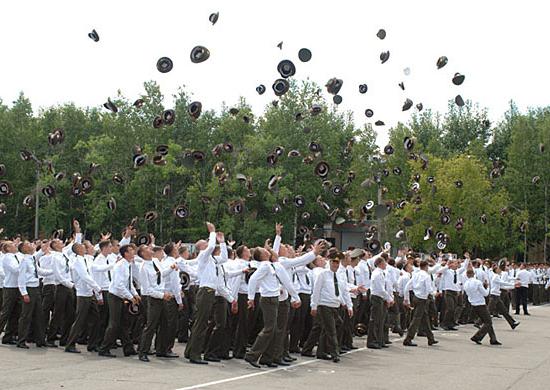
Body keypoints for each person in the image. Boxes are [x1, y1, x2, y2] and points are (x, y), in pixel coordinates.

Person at [184, 222, 220, 364]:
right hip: (206, 291)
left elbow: (222, 257)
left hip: (208, 291)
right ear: (201, 247)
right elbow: (211, 246)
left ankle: (190, 351)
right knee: (201, 323)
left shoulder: (209, 258)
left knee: (201, 322)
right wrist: (212, 232)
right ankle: (195, 354)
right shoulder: (204, 255)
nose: (208, 243)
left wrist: (222, 243)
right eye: (205, 242)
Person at [98, 244, 141, 357]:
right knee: (114, 324)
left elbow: (129, 282)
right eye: (131, 250)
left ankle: (128, 348)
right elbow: (119, 285)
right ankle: (104, 348)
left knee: (124, 323)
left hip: (122, 296)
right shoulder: (120, 265)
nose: (133, 251)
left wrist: (135, 294)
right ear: (126, 253)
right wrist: (130, 297)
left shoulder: (128, 264)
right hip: (115, 296)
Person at [310, 250, 353, 362]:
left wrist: (348, 305)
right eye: (334, 262)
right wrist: (314, 306)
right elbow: (316, 291)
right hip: (324, 305)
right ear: (329, 262)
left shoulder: (339, 276)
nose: (335, 265)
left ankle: (321, 351)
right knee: (331, 330)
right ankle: (335, 353)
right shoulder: (322, 274)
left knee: (336, 325)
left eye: (337, 263)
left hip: (335, 305)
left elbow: (343, 291)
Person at [137, 245, 176, 362]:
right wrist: (162, 295)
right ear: (143, 253)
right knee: (151, 325)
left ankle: (161, 349)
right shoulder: (143, 268)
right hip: (154, 298)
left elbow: (161, 274)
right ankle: (143, 351)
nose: (151, 250)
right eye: (147, 249)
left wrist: (171, 268)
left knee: (165, 323)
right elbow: (148, 289)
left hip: (161, 295)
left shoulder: (155, 261)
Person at [65, 242, 103, 353]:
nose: (84, 248)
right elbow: (84, 276)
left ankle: (92, 344)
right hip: (82, 294)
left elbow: (90, 274)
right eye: (82, 247)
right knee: (80, 320)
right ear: (78, 249)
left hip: (89, 293)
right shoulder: (78, 261)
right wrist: (96, 287)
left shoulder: (85, 259)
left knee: (96, 319)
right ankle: (70, 344)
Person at [17, 241, 53, 348]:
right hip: (29, 289)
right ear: (25, 249)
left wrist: (53, 271)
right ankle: (21, 340)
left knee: (39, 315)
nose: (32, 246)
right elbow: (21, 278)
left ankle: (40, 340)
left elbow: (39, 271)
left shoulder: (31, 259)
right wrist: (24, 293)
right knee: (26, 316)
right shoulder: (24, 261)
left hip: (36, 289)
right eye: (29, 244)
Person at [402, 260, 439, 346]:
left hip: (416, 297)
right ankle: (408, 338)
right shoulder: (426, 276)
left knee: (424, 318)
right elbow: (429, 288)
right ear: (426, 267)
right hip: (422, 298)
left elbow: (407, 287)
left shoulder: (416, 274)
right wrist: (434, 293)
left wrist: (406, 298)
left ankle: (431, 338)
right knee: (416, 319)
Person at [463, 269, 501, 346]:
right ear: (474, 274)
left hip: (473, 304)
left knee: (487, 321)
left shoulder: (466, 283)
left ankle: (493, 339)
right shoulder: (477, 282)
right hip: (480, 303)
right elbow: (485, 294)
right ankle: (477, 336)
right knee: (488, 322)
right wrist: (487, 287)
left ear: (467, 275)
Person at [367, 255, 393, 349]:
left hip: (380, 298)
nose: (385, 264)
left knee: (381, 320)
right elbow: (380, 289)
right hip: (377, 297)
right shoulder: (377, 273)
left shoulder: (381, 273)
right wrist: (389, 298)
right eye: (384, 262)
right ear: (380, 264)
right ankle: (372, 341)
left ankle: (379, 340)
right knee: (375, 320)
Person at [488, 264, 520, 330]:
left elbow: (502, 284)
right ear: (496, 270)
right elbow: (502, 283)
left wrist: (512, 286)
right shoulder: (496, 276)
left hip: (496, 295)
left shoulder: (497, 276)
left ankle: (512, 323)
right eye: (498, 269)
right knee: (488, 310)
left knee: (504, 311)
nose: (500, 270)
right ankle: (478, 322)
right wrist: (513, 284)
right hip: (494, 295)